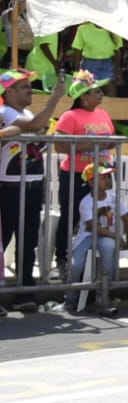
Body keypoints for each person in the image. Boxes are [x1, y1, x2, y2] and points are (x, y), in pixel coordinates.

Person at [1, 69, 68, 300]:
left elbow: (37, 127)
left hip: (32, 185)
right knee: (3, 241)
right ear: (9, 92)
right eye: (25, 87)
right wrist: (56, 97)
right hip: (9, 187)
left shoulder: (25, 112)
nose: (30, 90)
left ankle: (25, 292)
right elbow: (35, 125)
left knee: (28, 242)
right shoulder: (4, 111)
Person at [51, 70, 116, 280]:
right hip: (77, 174)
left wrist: (107, 145)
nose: (101, 94)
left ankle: (93, 258)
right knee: (71, 217)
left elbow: (111, 138)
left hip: (102, 174)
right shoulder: (70, 116)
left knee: (102, 214)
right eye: (96, 91)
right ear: (83, 96)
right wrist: (93, 144)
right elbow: (59, 146)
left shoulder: (104, 114)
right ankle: (62, 258)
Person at [68, 161, 128, 314]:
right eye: (103, 178)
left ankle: (104, 295)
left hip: (105, 237)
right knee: (76, 264)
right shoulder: (86, 202)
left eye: (108, 177)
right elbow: (91, 227)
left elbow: (127, 219)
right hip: (88, 236)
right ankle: (70, 298)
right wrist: (115, 235)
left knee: (109, 248)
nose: (108, 180)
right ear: (91, 182)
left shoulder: (114, 197)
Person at [70, 22, 123, 95]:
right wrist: (76, 73)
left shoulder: (113, 29)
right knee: (89, 96)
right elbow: (77, 53)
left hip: (107, 66)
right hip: (88, 67)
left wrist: (117, 72)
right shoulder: (83, 29)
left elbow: (117, 51)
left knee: (111, 95)